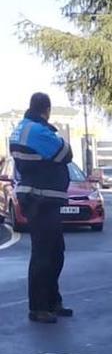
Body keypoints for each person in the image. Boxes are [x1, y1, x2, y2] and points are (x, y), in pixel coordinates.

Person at [8, 93, 73, 323]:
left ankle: (52, 301)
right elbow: (66, 153)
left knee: (54, 252)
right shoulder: (35, 131)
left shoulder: (26, 129)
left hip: (42, 199)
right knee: (43, 255)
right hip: (40, 199)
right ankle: (39, 307)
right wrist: (55, 135)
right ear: (46, 109)